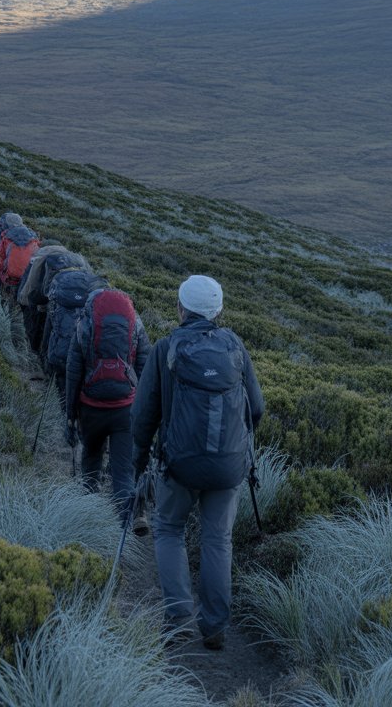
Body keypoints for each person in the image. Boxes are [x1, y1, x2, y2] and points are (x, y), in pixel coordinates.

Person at [131, 274, 264, 652]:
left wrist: (139, 460)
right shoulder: (235, 347)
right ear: (218, 311)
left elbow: (142, 417)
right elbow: (256, 408)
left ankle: (178, 620)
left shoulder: (165, 348)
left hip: (180, 464)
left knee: (169, 529)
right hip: (228, 467)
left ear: (181, 309)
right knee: (218, 539)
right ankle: (215, 626)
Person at [65, 287, 152, 515]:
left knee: (91, 459)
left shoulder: (84, 324)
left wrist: (70, 414)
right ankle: (125, 523)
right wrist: (141, 408)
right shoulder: (136, 324)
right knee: (123, 472)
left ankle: (89, 515)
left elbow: (73, 372)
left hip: (91, 408)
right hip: (125, 409)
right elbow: (144, 369)